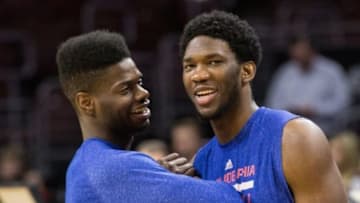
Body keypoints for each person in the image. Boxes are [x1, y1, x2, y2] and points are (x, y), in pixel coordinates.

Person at [179, 10, 347, 202]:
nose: (198, 75)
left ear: (247, 71)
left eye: (214, 62)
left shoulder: (296, 138)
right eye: (189, 66)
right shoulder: (200, 163)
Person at [56, 30, 241, 203]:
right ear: (86, 103)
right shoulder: (112, 169)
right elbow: (230, 199)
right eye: (125, 89)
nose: (143, 93)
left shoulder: (83, 165)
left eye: (140, 82)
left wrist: (154, 176)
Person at [265, 34, 350, 135]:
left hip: (325, 130)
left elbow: (343, 102)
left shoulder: (331, 70)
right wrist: (289, 110)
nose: (298, 54)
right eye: (295, 50)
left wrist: (316, 110)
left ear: (312, 50)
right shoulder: (285, 72)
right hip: (290, 131)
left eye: (302, 50)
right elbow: (272, 103)